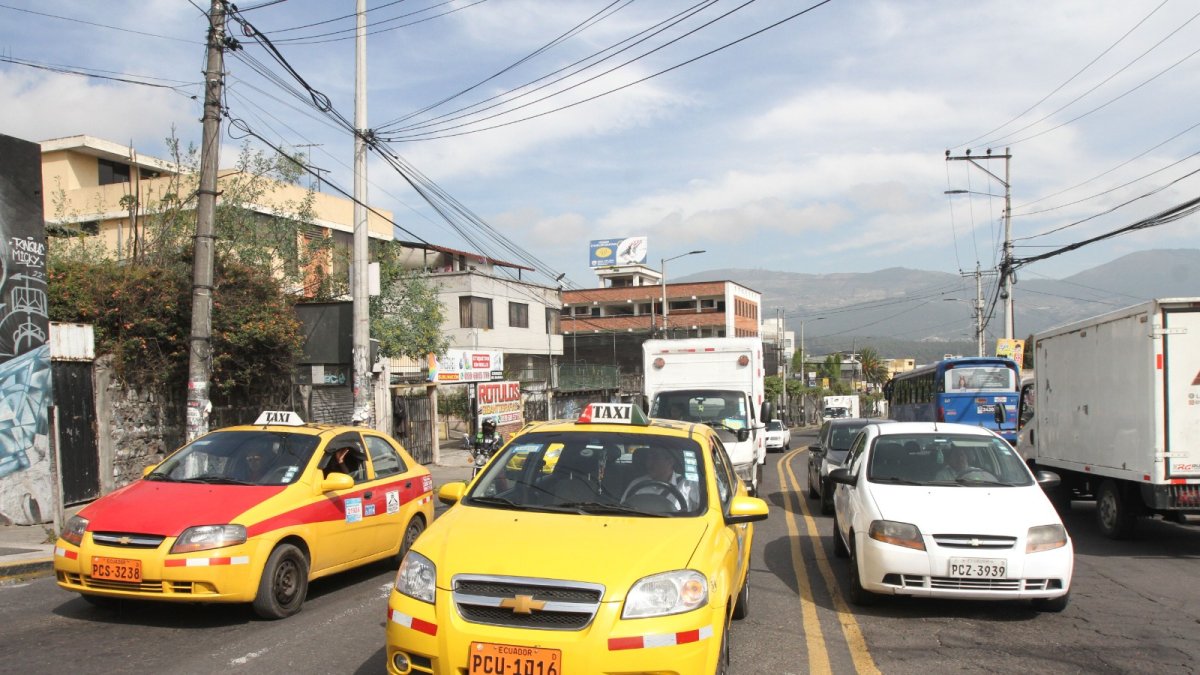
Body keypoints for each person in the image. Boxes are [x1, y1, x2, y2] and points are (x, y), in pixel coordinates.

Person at [622, 447, 695, 509]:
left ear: (670, 461)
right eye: (648, 458)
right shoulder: (636, 484)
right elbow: (623, 510)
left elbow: (702, 513)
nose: (649, 463)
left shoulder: (688, 485)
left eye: (655, 458)